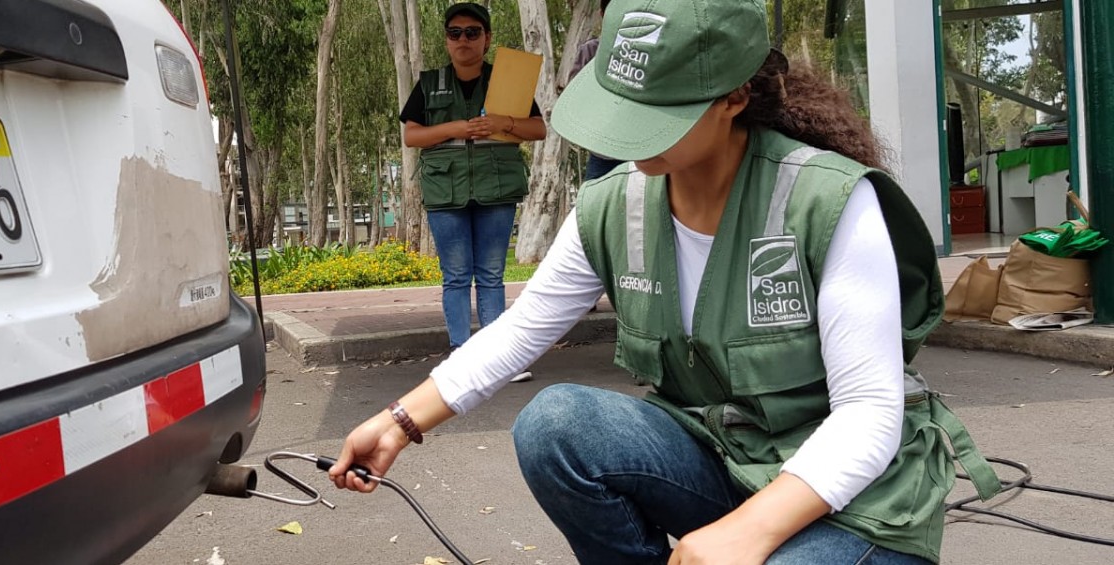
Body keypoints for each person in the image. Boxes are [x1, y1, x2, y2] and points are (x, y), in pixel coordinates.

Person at [331, 1, 1001, 564]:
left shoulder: (827, 201)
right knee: (555, 424)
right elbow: (520, 329)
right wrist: (399, 420)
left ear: (734, 97)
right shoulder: (618, 203)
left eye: (658, 111)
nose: (626, 132)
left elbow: (869, 415)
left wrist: (749, 531)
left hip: (853, 499)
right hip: (724, 458)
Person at [399, 3, 546, 376]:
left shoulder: (507, 82)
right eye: (455, 33)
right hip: (445, 192)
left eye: (472, 32)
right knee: (457, 275)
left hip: (495, 189)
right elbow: (411, 135)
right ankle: (462, 357)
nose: (463, 39)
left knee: (492, 274)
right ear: (447, 41)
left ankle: (498, 359)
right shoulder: (430, 84)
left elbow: (538, 129)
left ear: (487, 39)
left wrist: (505, 122)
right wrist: (455, 128)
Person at [567, 0, 623, 181]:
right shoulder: (591, 51)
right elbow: (574, 98)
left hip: (646, 154)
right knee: (592, 204)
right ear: (602, 14)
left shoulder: (650, 52)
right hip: (603, 152)